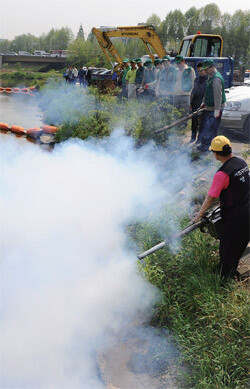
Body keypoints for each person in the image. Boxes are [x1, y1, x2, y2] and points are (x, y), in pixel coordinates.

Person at [194, 136, 249, 280]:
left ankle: (224, 280)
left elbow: (211, 197)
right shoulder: (241, 162)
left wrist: (199, 214)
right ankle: (230, 269)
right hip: (248, 211)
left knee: (227, 250)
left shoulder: (222, 174)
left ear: (216, 154)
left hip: (235, 218)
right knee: (240, 244)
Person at [197, 59, 226, 152]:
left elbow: (218, 95)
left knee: (212, 129)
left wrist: (217, 109)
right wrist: (203, 103)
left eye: (206, 69)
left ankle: (210, 147)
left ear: (212, 67)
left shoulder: (216, 78)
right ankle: (204, 144)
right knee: (205, 127)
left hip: (215, 108)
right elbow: (207, 92)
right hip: (209, 107)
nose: (205, 71)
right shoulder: (210, 77)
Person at [189, 62, 207, 142]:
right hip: (195, 103)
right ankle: (193, 137)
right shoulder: (197, 79)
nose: (200, 72)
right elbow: (194, 92)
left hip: (203, 104)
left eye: (201, 70)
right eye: (199, 71)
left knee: (201, 123)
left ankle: (199, 139)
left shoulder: (208, 80)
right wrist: (191, 103)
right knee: (194, 121)